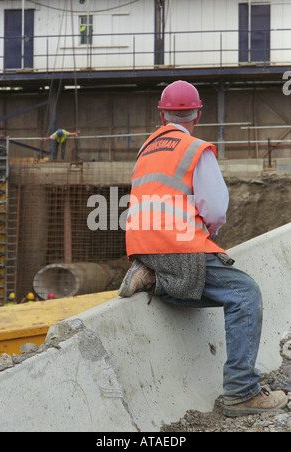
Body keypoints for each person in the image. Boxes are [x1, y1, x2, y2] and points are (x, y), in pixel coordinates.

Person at [118, 80, 288, 417]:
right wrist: (206, 234)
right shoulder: (196, 148)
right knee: (244, 295)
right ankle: (241, 393)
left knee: (203, 288)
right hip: (178, 243)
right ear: (197, 113)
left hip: (141, 244)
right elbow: (215, 208)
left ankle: (152, 275)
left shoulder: (147, 148)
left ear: (161, 113)